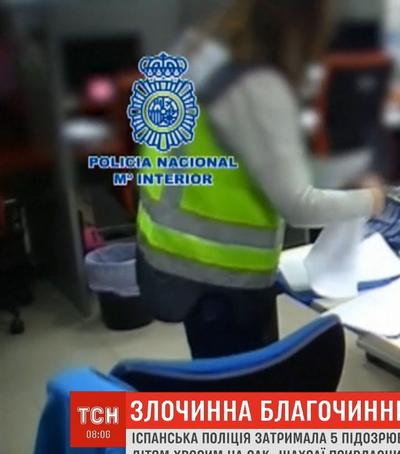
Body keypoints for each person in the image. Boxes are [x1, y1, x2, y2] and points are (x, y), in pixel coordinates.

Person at [135, 0, 384, 359]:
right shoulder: (256, 84)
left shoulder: (194, 50)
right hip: (222, 275)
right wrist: (374, 200)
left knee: (215, 376)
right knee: (246, 384)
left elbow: (242, 158)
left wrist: (337, 176)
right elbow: (298, 205)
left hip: (167, 250)